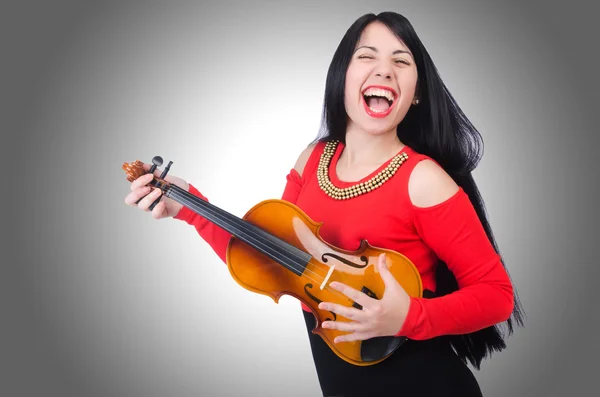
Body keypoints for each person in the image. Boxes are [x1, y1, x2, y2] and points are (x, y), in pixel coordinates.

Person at [124, 11, 524, 397]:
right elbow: (266, 262)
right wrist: (186, 203)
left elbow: (496, 295)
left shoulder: (423, 180)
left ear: (416, 92)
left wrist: (409, 317)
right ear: (342, 77)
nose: (384, 70)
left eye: (400, 61)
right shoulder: (313, 158)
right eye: (367, 56)